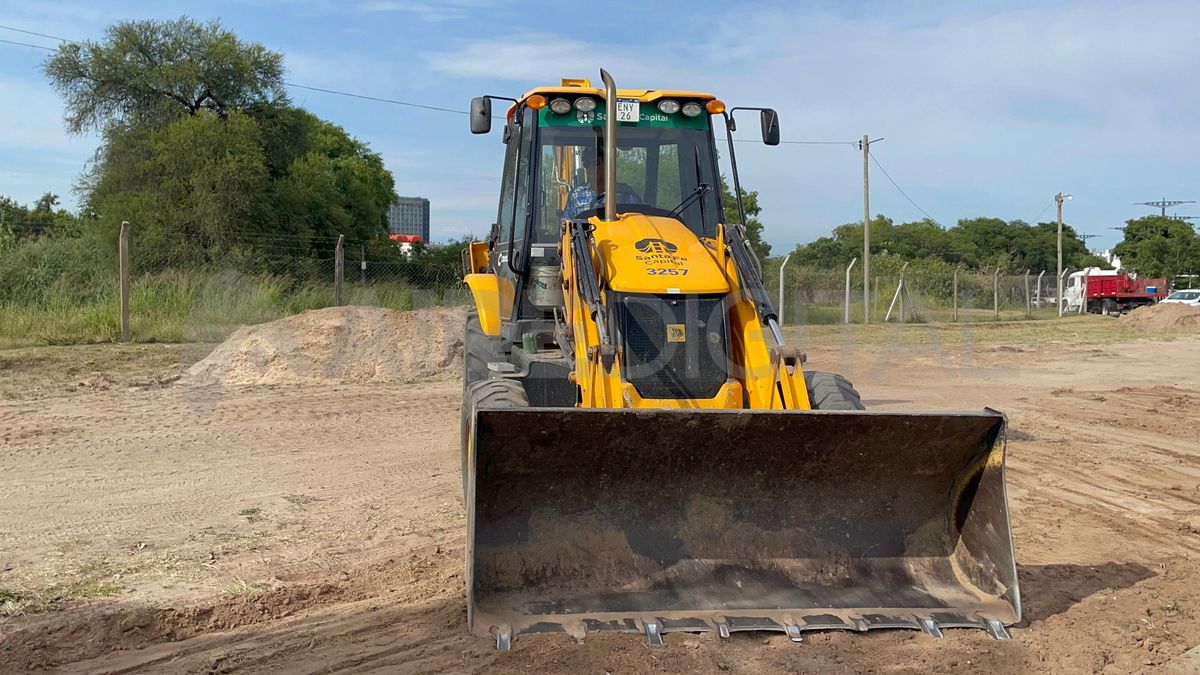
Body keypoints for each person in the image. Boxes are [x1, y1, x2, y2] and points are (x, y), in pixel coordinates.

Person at [562, 144, 641, 219]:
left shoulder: (624, 193)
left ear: (606, 164)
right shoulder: (576, 195)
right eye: (587, 164)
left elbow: (638, 219)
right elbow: (566, 224)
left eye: (595, 163)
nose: (591, 168)